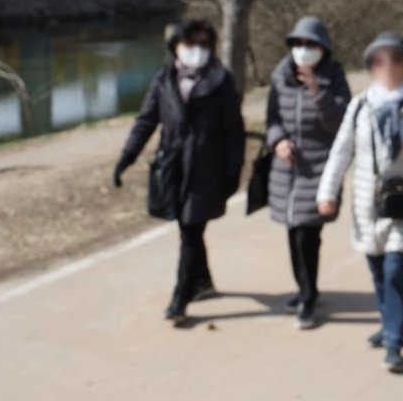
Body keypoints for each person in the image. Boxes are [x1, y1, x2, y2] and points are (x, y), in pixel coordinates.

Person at [316, 31, 403, 373]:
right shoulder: (360, 105)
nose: (387, 66)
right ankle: (387, 321)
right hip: (366, 203)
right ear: (371, 65)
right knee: (376, 269)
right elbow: (341, 151)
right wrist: (327, 193)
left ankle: (394, 340)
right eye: (379, 59)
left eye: (396, 59)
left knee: (394, 269)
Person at [113, 19, 245, 325]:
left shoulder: (220, 80)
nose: (196, 50)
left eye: (203, 44)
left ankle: (179, 297)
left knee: (189, 229)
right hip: (173, 169)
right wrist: (126, 157)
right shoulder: (164, 79)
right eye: (190, 44)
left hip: (206, 170)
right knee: (188, 229)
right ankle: (202, 282)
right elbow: (146, 121)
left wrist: (232, 171)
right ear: (176, 46)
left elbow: (234, 132)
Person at [266, 16, 351, 329]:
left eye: (310, 45)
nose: (303, 50)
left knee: (308, 235)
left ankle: (307, 297)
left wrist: (317, 90)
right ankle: (305, 289)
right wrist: (278, 142)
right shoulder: (280, 75)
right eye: (298, 44)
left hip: (319, 168)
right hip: (287, 170)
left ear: (323, 48)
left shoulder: (335, 76)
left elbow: (342, 123)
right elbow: (272, 118)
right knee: (293, 232)